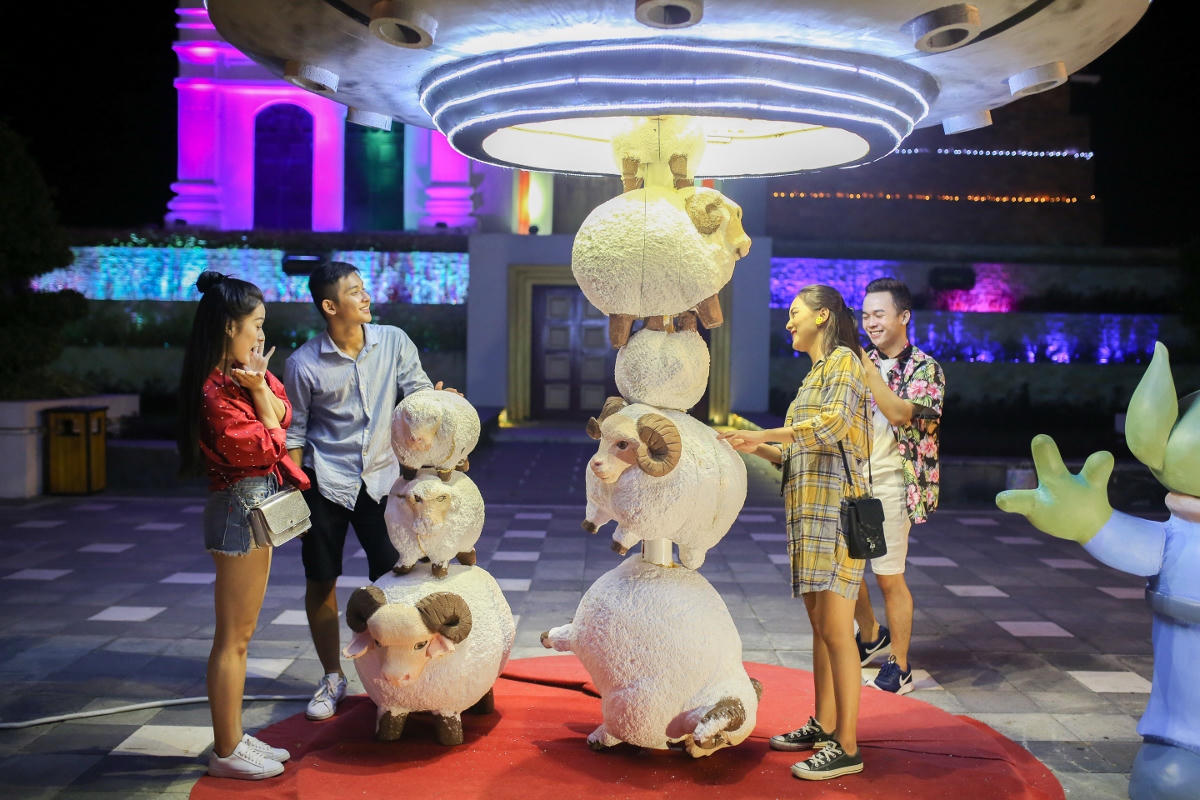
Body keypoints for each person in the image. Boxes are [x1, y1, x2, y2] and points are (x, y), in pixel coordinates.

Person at [284, 261, 457, 721]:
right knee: (321, 579)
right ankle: (332, 677)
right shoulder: (303, 363)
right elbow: (295, 432)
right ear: (330, 306)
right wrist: (295, 497)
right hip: (325, 482)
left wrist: (439, 403)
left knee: (396, 578)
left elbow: (418, 395)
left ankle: (398, 677)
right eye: (354, 291)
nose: (365, 297)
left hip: (382, 480)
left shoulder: (393, 341)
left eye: (364, 288)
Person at [719, 284, 871, 781]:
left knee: (838, 631)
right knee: (822, 629)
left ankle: (847, 746)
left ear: (822, 316)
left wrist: (762, 432)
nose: (788, 322)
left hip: (838, 513)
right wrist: (753, 447)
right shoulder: (812, 377)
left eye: (795, 312)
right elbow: (797, 455)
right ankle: (824, 725)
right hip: (808, 517)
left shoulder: (845, 362)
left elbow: (831, 427)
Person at [178, 270, 309, 780]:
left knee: (243, 633)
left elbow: (283, 408)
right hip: (238, 509)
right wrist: (266, 409)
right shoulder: (213, 390)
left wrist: (260, 393)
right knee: (233, 636)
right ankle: (226, 749)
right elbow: (267, 444)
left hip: (252, 506)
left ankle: (234, 737)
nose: (261, 334)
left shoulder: (242, 376)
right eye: (256, 323)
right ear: (229, 326)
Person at [854, 278, 945, 695]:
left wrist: (868, 371)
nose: (870, 323)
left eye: (879, 314)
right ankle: (872, 633)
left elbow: (900, 414)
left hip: (893, 484)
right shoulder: (859, 363)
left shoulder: (926, 369)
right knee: (847, 570)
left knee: (888, 576)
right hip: (855, 481)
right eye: (865, 315)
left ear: (904, 316)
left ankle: (901, 666)